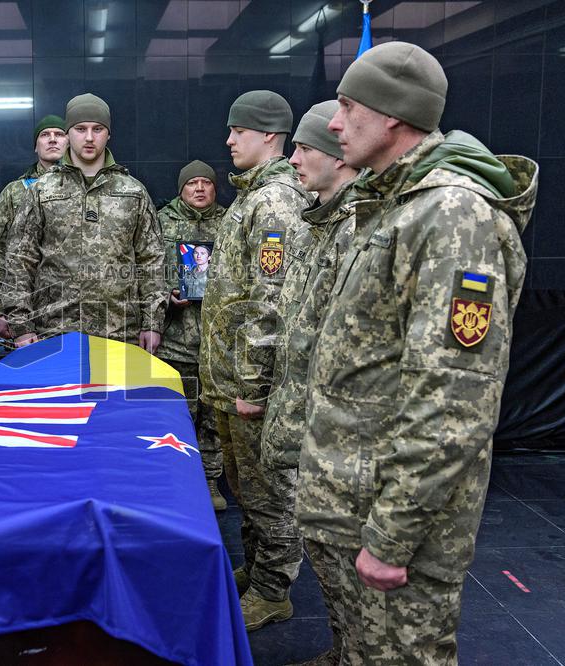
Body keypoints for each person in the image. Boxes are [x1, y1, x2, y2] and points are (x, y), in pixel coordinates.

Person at [297, 42, 539, 665]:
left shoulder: (454, 215)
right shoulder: (391, 203)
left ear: (393, 118)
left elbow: (453, 400)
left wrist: (392, 536)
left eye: (348, 108)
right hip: (353, 498)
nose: (333, 123)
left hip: (392, 518)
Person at [198, 90, 312, 630]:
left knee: (268, 489)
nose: (228, 140)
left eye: (237, 131)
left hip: (251, 384)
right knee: (244, 486)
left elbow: (272, 302)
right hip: (229, 378)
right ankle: (258, 569)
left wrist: (254, 386)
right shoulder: (252, 196)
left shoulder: (274, 203)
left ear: (268, 135)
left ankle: (274, 589)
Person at [257, 100, 362, 664]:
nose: (292, 158)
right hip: (310, 422)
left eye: (305, 148)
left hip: (342, 435)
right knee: (330, 559)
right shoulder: (320, 220)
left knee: (350, 561)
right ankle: (345, 648)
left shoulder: (357, 227)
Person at [2, 94, 165, 351]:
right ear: (69, 133)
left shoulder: (133, 192)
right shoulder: (42, 190)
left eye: (97, 129)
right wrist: (21, 326)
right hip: (54, 332)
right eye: (80, 129)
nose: (89, 137)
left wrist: (152, 322)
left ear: (108, 134)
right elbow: (20, 260)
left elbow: (152, 260)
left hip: (120, 333)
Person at [156, 161, 226, 511]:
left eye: (206, 183)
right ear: (181, 189)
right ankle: (177, 481)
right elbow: (148, 269)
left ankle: (211, 482)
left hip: (217, 342)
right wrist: (168, 293)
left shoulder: (232, 221)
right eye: (192, 183)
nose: (200, 189)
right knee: (177, 416)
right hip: (175, 340)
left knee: (213, 418)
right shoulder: (161, 221)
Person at [0, 114, 68, 338]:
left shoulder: (86, 190)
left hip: (75, 312)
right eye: (45, 135)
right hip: (27, 315)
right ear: (35, 146)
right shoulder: (15, 192)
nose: (53, 139)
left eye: (59, 134)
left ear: (69, 141)